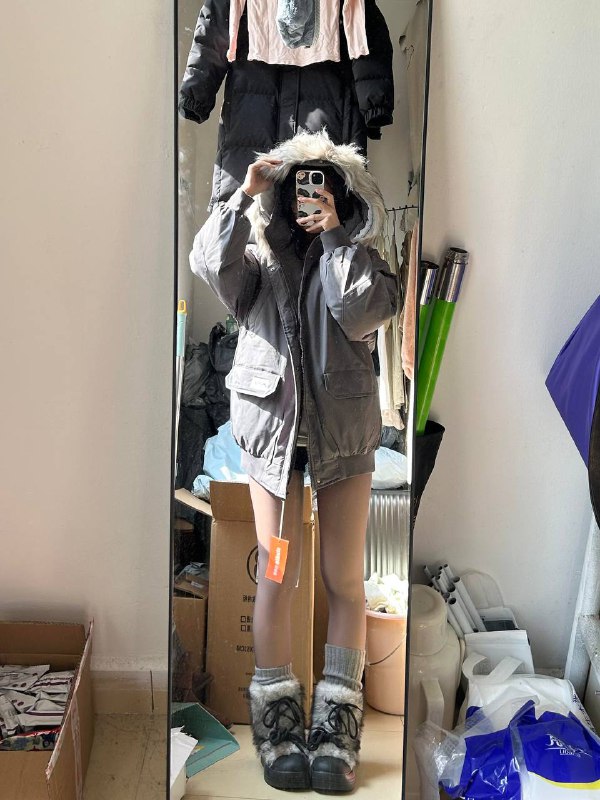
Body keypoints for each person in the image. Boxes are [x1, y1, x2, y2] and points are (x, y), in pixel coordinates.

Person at [190, 130, 398, 794]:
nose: (311, 197)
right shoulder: (256, 259)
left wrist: (335, 237)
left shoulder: (362, 259)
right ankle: (279, 731)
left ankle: (337, 734)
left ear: (341, 194)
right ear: (283, 194)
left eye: (323, 186)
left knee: (344, 580)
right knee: (276, 577)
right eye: (301, 187)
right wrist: (242, 195)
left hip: (342, 443)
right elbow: (207, 264)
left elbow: (358, 313)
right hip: (274, 445)